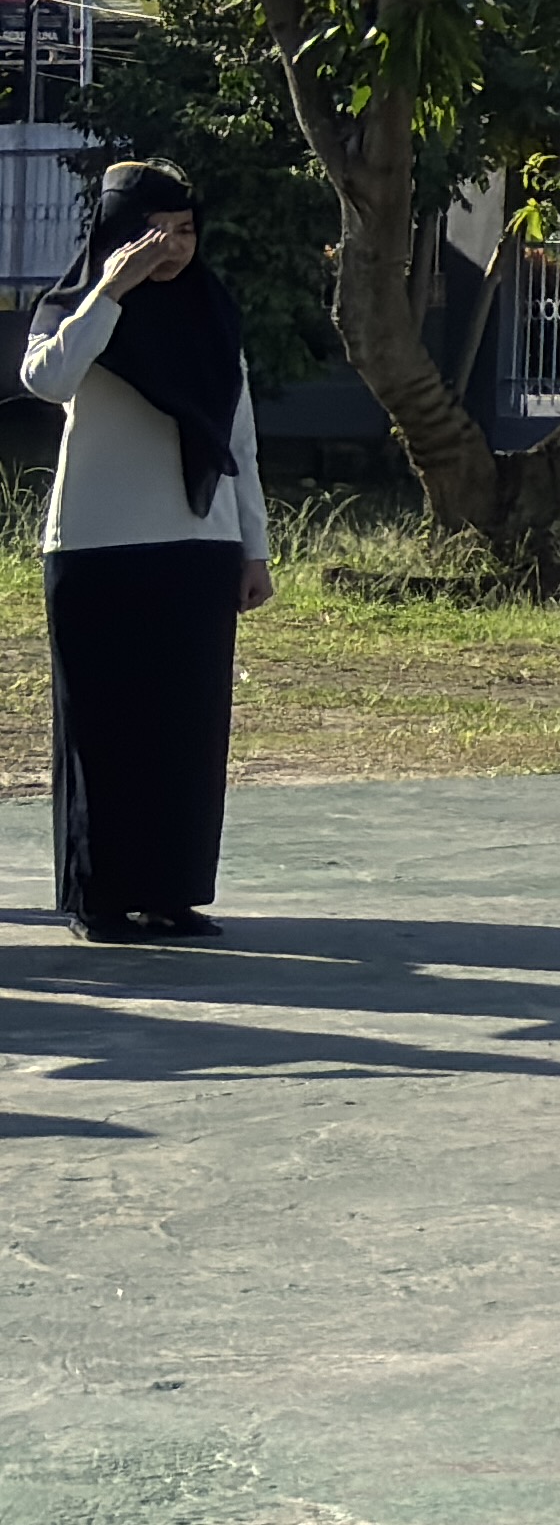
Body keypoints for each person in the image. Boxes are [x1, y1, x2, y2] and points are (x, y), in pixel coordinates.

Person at [27, 155, 268, 942]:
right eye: (154, 233)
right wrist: (110, 292)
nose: (171, 248)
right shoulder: (73, 308)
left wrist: (252, 549)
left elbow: (238, 442)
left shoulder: (213, 315)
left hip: (197, 545)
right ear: (117, 235)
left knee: (186, 730)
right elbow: (49, 380)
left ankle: (172, 891)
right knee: (101, 727)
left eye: (186, 231)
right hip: (95, 545)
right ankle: (98, 901)